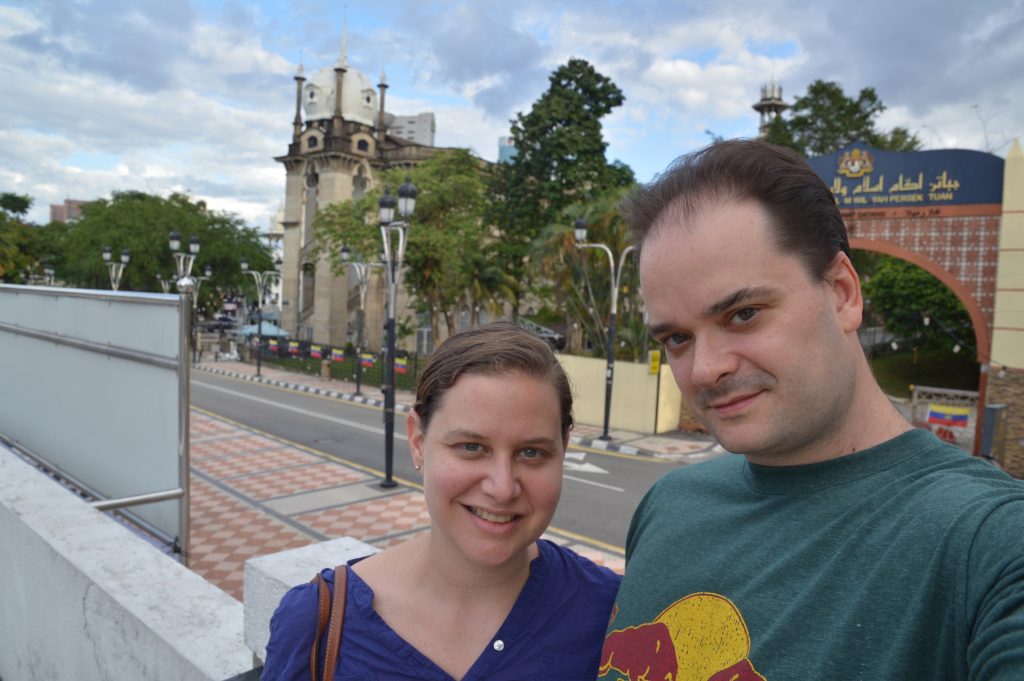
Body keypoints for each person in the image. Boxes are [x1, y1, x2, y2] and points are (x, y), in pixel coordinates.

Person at [598, 140, 1024, 680]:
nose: (705, 369)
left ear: (843, 293)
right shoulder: (669, 505)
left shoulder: (988, 543)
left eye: (744, 314)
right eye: (678, 338)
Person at [262, 322, 620, 681]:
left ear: (564, 449)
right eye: (471, 447)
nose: (502, 487)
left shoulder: (613, 615)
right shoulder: (320, 624)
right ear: (418, 440)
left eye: (531, 452)